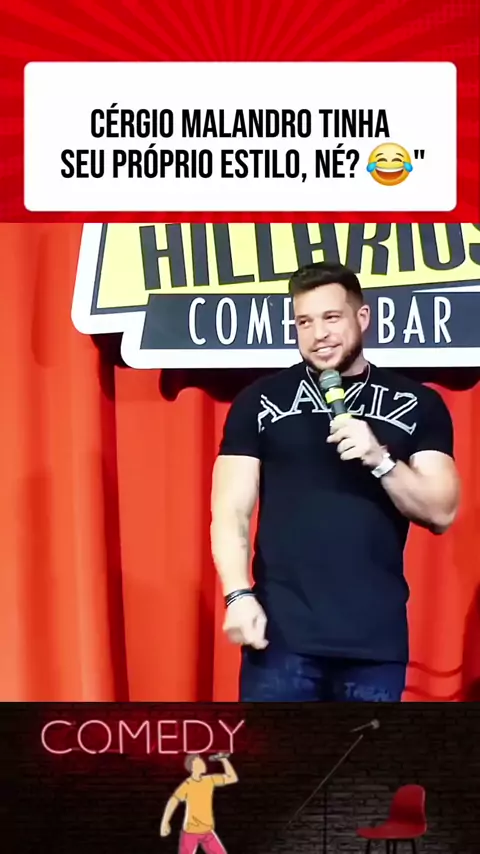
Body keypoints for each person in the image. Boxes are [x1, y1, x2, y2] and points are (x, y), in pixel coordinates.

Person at [210, 261, 460, 703]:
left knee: (366, 754)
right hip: (280, 641)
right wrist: (236, 595)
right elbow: (231, 511)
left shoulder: (418, 403)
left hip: (375, 646)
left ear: (362, 318)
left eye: (331, 317)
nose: (318, 334)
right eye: (304, 322)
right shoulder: (259, 401)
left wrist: (380, 459)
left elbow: (441, 512)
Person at [160, 753, 238, 854]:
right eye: (200, 763)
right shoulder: (187, 784)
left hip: (207, 831)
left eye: (202, 762)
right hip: (190, 832)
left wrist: (223, 760)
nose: (204, 764)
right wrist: (164, 823)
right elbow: (173, 800)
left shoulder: (209, 780)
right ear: (193, 767)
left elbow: (232, 778)